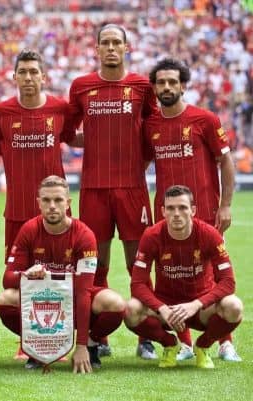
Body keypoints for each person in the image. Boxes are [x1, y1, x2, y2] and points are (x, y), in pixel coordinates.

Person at [67, 24, 157, 359]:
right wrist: (93, 142)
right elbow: (66, 129)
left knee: (138, 262)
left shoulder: (141, 86)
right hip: (93, 188)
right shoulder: (82, 86)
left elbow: (154, 132)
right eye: (104, 43)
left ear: (127, 47)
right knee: (95, 262)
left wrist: (138, 162)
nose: (110, 48)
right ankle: (97, 335)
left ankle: (144, 337)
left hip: (132, 188)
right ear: (96, 48)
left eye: (116, 43)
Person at [144, 57, 240, 361]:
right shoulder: (151, 126)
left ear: (183, 85)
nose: (167, 87)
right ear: (155, 88)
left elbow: (226, 161)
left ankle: (224, 342)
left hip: (205, 211)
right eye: (161, 82)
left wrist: (225, 205)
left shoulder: (206, 120)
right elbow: (142, 162)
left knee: (211, 276)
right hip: (167, 215)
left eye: (173, 81)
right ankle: (184, 343)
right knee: (170, 275)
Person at [0, 175, 126, 371]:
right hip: (43, 301)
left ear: (68, 203)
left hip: (75, 300)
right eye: (47, 200)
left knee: (115, 303)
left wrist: (81, 345)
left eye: (58, 200)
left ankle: (92, 344)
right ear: (38, 203)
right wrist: (26, 274)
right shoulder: (29, 229)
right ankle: (36, 344)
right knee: (6, 298)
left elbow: (84, 292)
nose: (52, 206)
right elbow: (8, 279)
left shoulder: (84, 235)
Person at [124, 185, 243, 369]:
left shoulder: (209, 234)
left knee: (234, 306)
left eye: (182, 207)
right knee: (131, 310)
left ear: (193, 210)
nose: (176, 214)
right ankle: (170, 344)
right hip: (167, 309)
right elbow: (137, 284)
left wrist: (196, 304)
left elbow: (228, 282)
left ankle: (202, 346)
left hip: (201, 308)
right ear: (163, 211)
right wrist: (161, 308)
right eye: (170, 208)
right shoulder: (151, 235)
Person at [0, 49, 76, 261]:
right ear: (14, 76)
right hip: (17, 209)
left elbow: (70, 137)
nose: (28, 77)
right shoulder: (1, 112)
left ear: (43, 77)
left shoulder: (61, 108)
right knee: (14, 281)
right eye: (23, 72)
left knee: (63, 274)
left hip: (56, 208)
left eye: (34, 72)